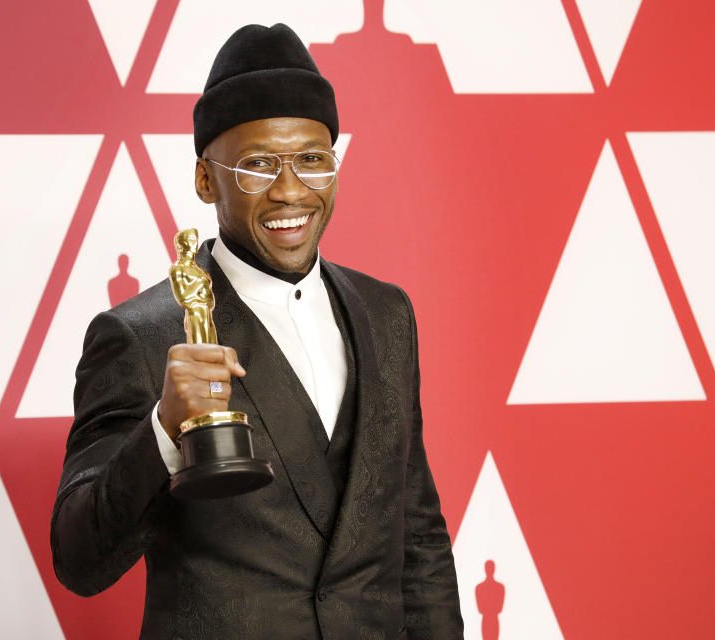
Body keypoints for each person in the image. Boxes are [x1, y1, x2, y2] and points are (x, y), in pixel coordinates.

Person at [51, 23, 463, 639]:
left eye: (312, 160)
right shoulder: (139, 336)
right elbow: (79, 560)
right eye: (257, 166)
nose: (291, 190)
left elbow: (419, 535)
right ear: (204, 179)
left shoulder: (387, 314)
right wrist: (162, 429)